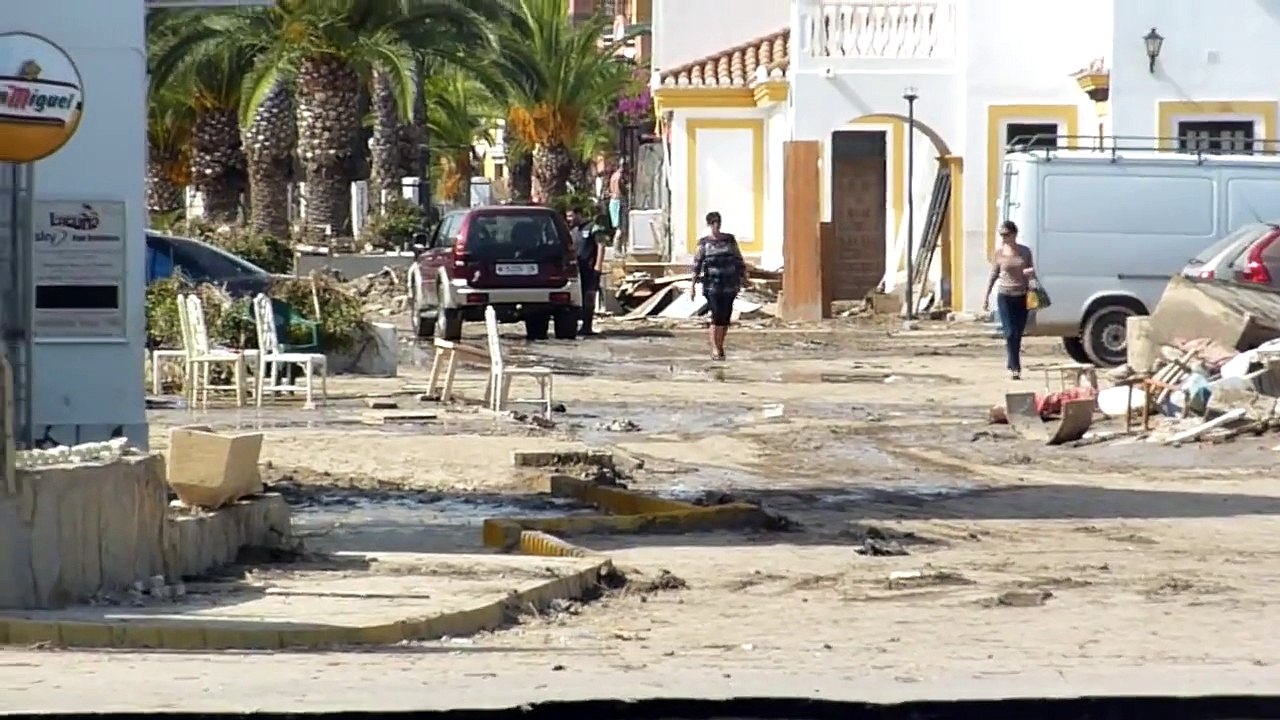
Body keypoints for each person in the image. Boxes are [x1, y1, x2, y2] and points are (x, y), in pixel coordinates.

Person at [982, 220, 1036, 380]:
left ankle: (1012, 362)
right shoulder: (999, 253)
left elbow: (1032, 273)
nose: (1004, 238)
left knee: (1018, 333)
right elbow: (993, 274)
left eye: (1006, 234)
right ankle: (1015, 367)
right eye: (1002, 235)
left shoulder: (1025, 252)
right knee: (1010, 332)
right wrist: (986, 296)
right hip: (1005, 296)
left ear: (1014, 234)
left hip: (1022, 295)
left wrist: (1031, 279)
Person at [690, 211, 746, 360]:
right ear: (709, 224)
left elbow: (738, 259)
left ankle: (721, 345)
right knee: (716, 315)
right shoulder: (704, 243)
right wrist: (693, 285)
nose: (716, 225)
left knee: (725, 317)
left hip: (729, 284)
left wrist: (743, 277)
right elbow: (697, 264)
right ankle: (715, 347)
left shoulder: (729, 240)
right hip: (712, 286)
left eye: (718, 222)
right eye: (714, 223)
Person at [566, 208, 603, 336]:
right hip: (577, 270)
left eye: (571, 216)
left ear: (579, 214)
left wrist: (598, 265)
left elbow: (601, 246)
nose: (569, 219)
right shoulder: (572, 231)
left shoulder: (593, 227)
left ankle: (587, 326)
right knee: (577, 299)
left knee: (589, 298)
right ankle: (577, 326)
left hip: (590, 269)